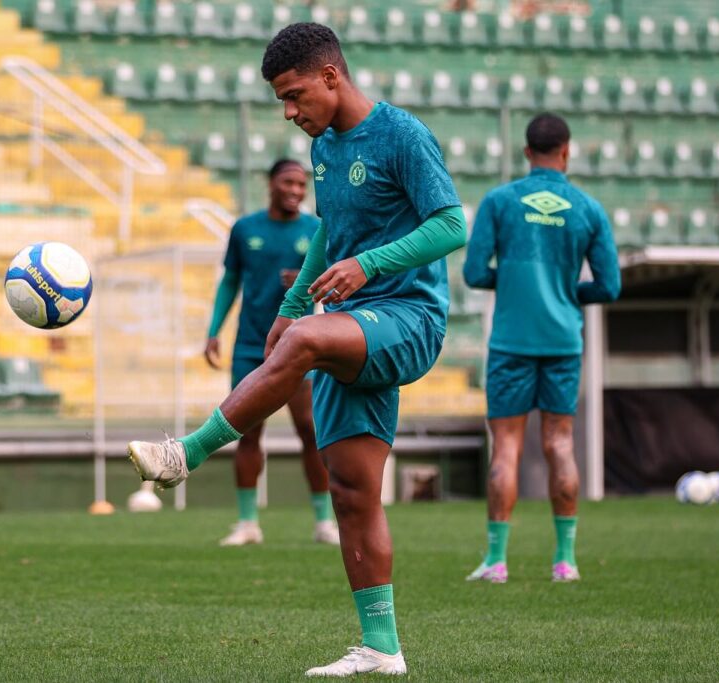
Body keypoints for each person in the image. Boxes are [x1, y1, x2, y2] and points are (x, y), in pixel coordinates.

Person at [128, 23, 467, 677]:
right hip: (350, 320)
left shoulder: (402, 134)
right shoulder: (325, 148)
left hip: (408, 318)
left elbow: (451, 223)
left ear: (331, 77)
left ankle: (185, 453)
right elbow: (329, 232)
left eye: (294, 95)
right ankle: (381, 647)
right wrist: (287, 311)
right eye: (281, 101)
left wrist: (366, 266)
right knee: (351, 491)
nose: (289, 113)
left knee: (310, 339)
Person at [462, 112, 621, 584]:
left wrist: (509, 281)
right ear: (566, 152)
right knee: (559, 444)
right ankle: (565, 561)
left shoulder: (500, 201)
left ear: (527, 152)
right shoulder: (589, 209)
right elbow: (609, 287)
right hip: (562, 342)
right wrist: (570, 291)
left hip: (512, 340)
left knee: (506, 447)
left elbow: (473, 274)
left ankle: (496, 562)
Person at [204, 158, 339, 547]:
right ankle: (248, 523)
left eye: (301, 185)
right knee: (245, 432)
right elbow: (230, 281)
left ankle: (322, 521)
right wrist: (214, 331)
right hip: (250, 345)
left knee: (310, 432)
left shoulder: (315, 230)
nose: (296, 191)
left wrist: (307, 283)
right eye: (289, 183)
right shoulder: (245, 229)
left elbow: (333, 286)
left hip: (299, 346)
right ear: (271, 184)